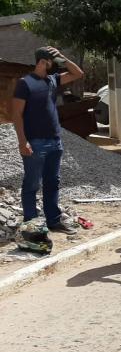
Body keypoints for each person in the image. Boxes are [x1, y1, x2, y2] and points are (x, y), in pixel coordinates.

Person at [11, 46, 84, 235]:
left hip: (55, 141)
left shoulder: (52, 80)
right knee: (32, 184)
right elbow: (16, 114)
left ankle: (53, 221)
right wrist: (22, 141)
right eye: (54, 62)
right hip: (34, 143)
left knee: (52, 183)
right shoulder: (25, 83)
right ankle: (31, 226)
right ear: (43, 62)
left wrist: (63, 57)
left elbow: (78, 73)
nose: (57, 66)